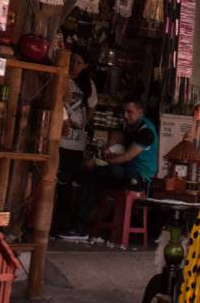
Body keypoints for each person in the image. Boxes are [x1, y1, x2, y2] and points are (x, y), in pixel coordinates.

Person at [63, 96, 159, 239]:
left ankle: (80, 229)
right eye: (124, 112)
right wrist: (109, 151)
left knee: (95, 177)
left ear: (140, 112)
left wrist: (99, 162)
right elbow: (121, 147)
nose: (125, 115)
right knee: (91, 176)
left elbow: (127, 157)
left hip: (138, 177)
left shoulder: (146, 131)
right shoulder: (133, 127)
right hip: (127, 171)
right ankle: (75, 224)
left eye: (129, 112)